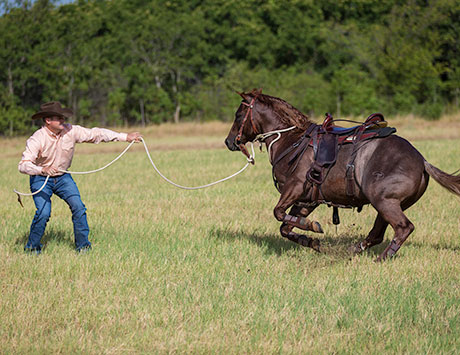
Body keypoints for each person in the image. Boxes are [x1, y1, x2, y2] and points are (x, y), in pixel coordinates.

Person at [18, 101, 142, 254]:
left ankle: (83, 247)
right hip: (40, 178)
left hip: (63, 177)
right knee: (43, 213)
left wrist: (126, 137)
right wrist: (42, 169)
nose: (63, 120)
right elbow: (23, 165)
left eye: (63, 117)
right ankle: (32, 248)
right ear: (48, 120)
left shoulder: (71, 130)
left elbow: (97, 134)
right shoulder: (37, 139)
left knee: (79, 208)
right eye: (59, 118)